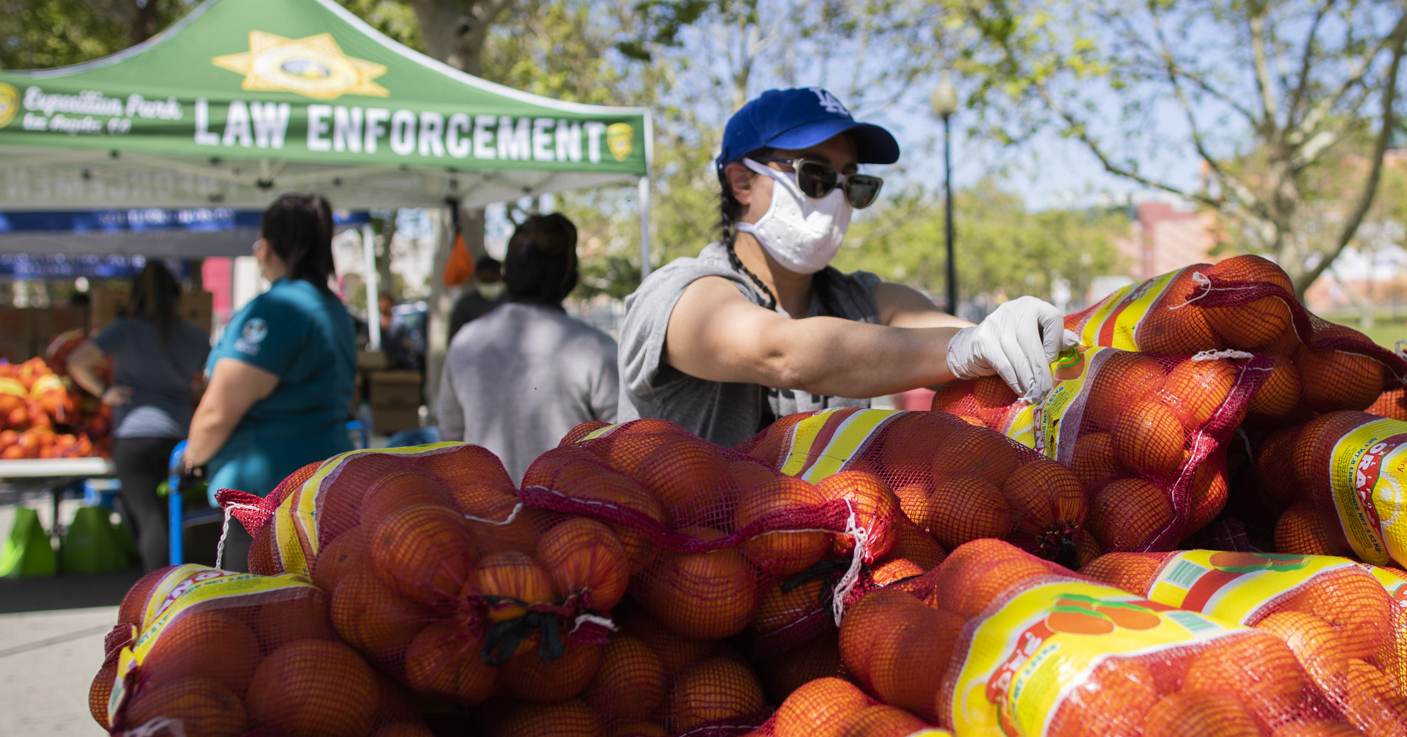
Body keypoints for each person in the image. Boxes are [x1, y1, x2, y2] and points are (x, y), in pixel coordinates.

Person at [618, 87, 1067, 447]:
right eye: (815, 175)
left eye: (854, 183)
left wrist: (1012, 335)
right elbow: (779, 352)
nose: (836, 197)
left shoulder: (860, 300)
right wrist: (964, 347)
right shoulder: (675, 295)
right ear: (741, 182)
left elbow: (957, 332)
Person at [185, 193, 359, 570]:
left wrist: (191, 456)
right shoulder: (333, 309)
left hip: (265, 502)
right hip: (325, 485)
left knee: (256, 617)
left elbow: (219, 410)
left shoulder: (275, 310)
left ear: (268, 247)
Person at [438, 215, 619, 481]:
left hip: (489, 516)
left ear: (504, 274)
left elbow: (449, 441)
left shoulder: (465, 341)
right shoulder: (594, 348)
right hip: (576, 517)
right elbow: (624, 446)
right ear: (572, 279)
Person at [65, 261, 209, 569]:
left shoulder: (123, 330)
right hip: (180, 436)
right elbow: (211, 380)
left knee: (146, 516)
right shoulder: (195, 335)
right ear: (176, 295)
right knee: (167, 514)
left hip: (135, 434)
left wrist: (105, 391)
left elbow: (76, 361)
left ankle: (158, 590)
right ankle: (171, 584)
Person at [448, 255, 505, 341]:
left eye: (492, 281)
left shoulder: (511, 301)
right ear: (478, 278)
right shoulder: (465, 305)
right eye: (485, 281)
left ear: (501, 277)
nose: (489, 285)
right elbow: (453, 338)